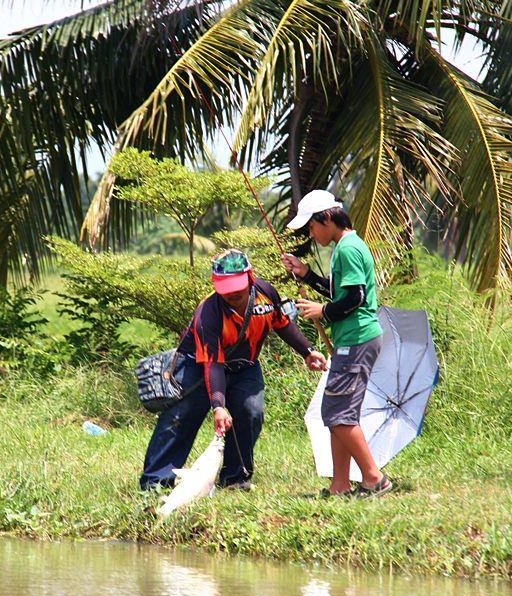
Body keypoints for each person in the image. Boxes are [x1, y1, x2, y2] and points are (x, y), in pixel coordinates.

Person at [139, 249, 327, 491]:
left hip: (244, 365)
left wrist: (307, 351)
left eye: (238, 286)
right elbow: (213, 363)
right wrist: (218, 405)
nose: (233, 294)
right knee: (181, 418)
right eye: (226, 288)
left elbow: (281, 323)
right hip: (199, 365)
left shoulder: (266, 293)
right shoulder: (209, 311)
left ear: (250, 277)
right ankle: (155, 482)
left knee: (250, 412)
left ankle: (235, 480)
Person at [281, 189, 393, 499]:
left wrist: (322, 312)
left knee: (337, 413)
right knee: (340, 413)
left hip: (357, 339)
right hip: (354, 338)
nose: (311, 233)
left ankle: (374, 478)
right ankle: (340, 484)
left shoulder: (346, 249)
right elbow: (339, 289)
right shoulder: (348, 246)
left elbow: (355, 297)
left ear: (327, 218)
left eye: (312, 227)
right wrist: (307, 275)